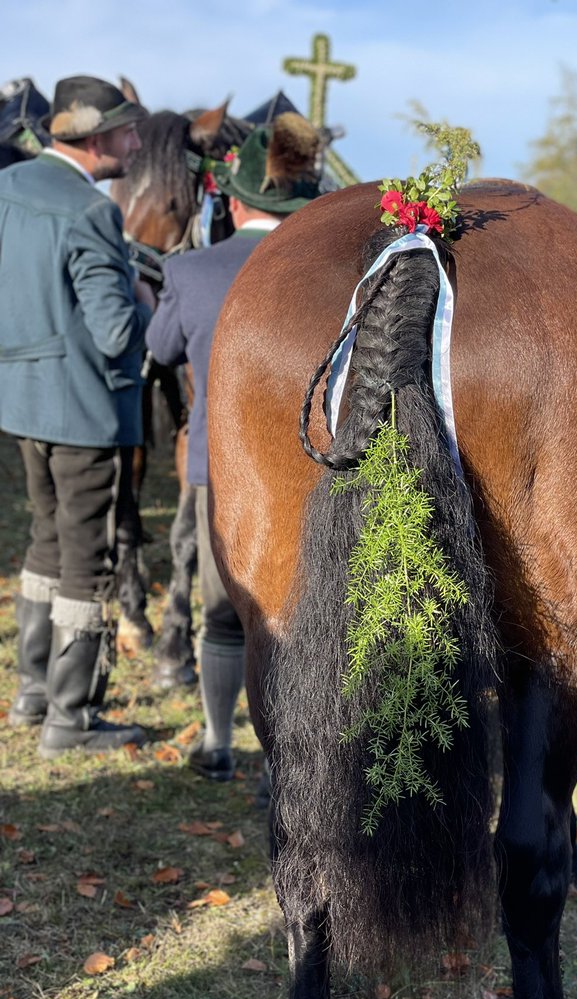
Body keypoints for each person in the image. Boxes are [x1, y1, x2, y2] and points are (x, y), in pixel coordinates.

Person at [145, 114, 322, 783]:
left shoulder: (190, 271)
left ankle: (218, 742)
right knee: (298, 620)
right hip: (315, 470)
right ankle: (289, 763)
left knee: (223, 616)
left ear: (238, 199)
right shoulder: (334, 268)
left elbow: (159, 351)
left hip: (222, 469)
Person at [0, 75, 154, 758]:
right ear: (97, 140)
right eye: (127, 131)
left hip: (21, 398)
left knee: (44, 543)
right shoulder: (92, 212)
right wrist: (148, 299)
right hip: (84, 409)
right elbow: (117, 331)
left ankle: (31, 693)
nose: (135, 142)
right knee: (85, 564)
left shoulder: (8, 188)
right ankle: (69, 719)